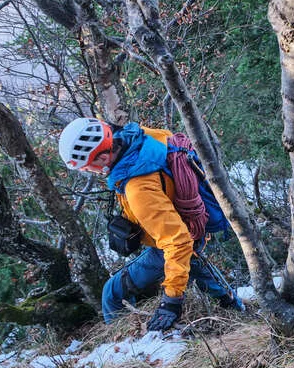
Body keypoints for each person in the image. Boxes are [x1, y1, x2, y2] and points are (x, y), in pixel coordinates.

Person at [58, 117, 243, 331]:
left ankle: (126, 345)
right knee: (200, 271)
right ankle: (235, 309)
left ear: (103, 157)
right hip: (190, 226)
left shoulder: (139, 189)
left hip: (175, 242)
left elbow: (178, 242)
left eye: (88, 167)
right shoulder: (143, 136)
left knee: (112, 294)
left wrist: (171, 302)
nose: (88, 171)